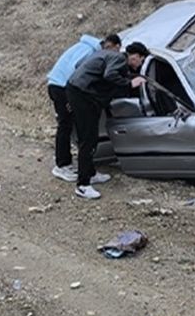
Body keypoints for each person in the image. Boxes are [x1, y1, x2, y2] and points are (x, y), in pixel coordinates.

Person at [65, 41, 149, 200]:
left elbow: (81, 66)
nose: (140, 65)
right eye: (141, 61)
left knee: (91, 136)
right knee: (88, 139)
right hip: (82, 94)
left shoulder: (110, 55)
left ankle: (90, 173)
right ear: (135, 56)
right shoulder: (119, 60)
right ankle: (83, 185)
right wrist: (130, 83)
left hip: (78, 90)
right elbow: (110, 75)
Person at [46, 33, 121, 182]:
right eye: (116, 50)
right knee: (65, 124)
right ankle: (62, 165)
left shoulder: (87, 47)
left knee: (73, 125)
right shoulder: (89, 51)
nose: (115, 54)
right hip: (61, 87)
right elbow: (76, 72)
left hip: (62, 86)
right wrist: (71, 97)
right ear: (111, 45)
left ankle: (86, 169)